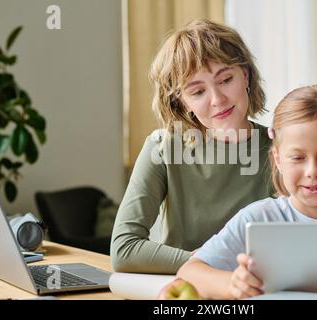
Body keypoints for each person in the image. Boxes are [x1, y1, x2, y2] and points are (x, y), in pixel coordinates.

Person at [177, 84, 317, 300]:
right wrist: (232, 284)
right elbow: (190, 272)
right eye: (297, 158)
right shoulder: (257, 219)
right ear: (278, 160)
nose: (313, 172)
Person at [110, 19, 272, 274]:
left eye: (226, 79)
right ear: (183, 102)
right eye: (197, 92)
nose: (217, 100)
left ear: (246, 75)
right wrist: (205, 264)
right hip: (181, 292)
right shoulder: (162, 148)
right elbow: (124, 249)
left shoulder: (283, 150)